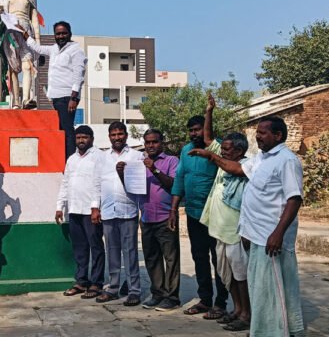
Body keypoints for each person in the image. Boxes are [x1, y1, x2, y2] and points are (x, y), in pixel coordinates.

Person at [211, 116, 305, 337]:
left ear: (278, 135)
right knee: (260, 288)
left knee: (271, 290)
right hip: (255, 235)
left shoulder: (287, 160)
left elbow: (294, 199)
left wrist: (278, 233)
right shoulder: (261, 158)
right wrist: (212, 156)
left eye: (262, 133)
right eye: (257, 133)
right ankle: (264, 329)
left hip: (270, 237)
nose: (257, 137)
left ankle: (273, 332)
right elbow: (237, 169)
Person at [190, 96, 252, 331]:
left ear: (239, 151)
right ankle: (237, 309)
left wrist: (213, 156)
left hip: (234, 231)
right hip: (218, 229)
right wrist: (209, 111)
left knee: (240, 276)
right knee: (227, 275)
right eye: (222, 149)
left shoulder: (246, 165)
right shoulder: (224, 158)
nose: (222, 152)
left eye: (227, 150)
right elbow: (207, 139)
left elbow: (225, 163)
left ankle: (246, 313)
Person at [170, 110, 229, 318]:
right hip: (194, 214)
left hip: (215, 214)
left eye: (198, 129)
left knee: (219, 259)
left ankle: (221, 303)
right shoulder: (185, 150)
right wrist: (173, 209)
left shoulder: (218, 148)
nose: (194, 134)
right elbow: (179, 179)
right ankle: (205, 300)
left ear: (206, 129)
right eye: (191, 131)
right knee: (199, 257)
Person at [21, 21, 87, 160]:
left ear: (70, 34)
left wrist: (73, 98)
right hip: (56, 96)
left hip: (67, 96)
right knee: (61, 129)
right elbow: (37, 49)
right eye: (58, 33)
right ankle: (64, 158)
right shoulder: (54, 49)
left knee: (67, 130)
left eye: (64, 33)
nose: (61, 36)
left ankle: (70, 161)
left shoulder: (76, 50)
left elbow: (79, 75)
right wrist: (25, 35)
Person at [95, 121, 143, 306]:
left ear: (126, 135)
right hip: (107, 211)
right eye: (113, 135)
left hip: (128, 210)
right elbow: (97, 183)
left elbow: (140, 185)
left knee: (130, 252)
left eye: (120, 134)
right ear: (109, 137)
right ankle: (113, 288)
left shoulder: (137, 156)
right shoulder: (102, 157)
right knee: (112, 252)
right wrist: (95, 207)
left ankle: (134, 290)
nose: (117, 138)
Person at [55, 125, 106, 300]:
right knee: (79, 248)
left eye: (85, 137)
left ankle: (97, 283)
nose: (81, 141)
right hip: (74, 209)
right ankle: (81, 281)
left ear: (91, 138)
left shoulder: (99, 157)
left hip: (91, 211)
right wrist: (59, 206)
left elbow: (99, 183)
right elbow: (65, 183)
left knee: (96, 247)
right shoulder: (72, 159)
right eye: (78, 138)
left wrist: (95, 207)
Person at [139, 129, 181, 311]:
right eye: (147, 142)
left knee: (171, 258)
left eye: (154, 142)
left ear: (162, 142)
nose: (150, 146)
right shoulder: (139, 163)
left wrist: (154, 169)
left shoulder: (172, 161)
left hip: (166, 217)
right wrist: (122, 173)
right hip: (146, 217)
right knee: (152, 258)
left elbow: (174, 185)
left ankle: (172, 298)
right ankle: (157, 293)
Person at [0, 0, 41, 108]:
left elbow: (34, 16)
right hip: (10, 29)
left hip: (26, 31)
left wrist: (37, 38)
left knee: (28, 65)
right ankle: (16, 102)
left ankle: (27, 99)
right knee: (13, 68)